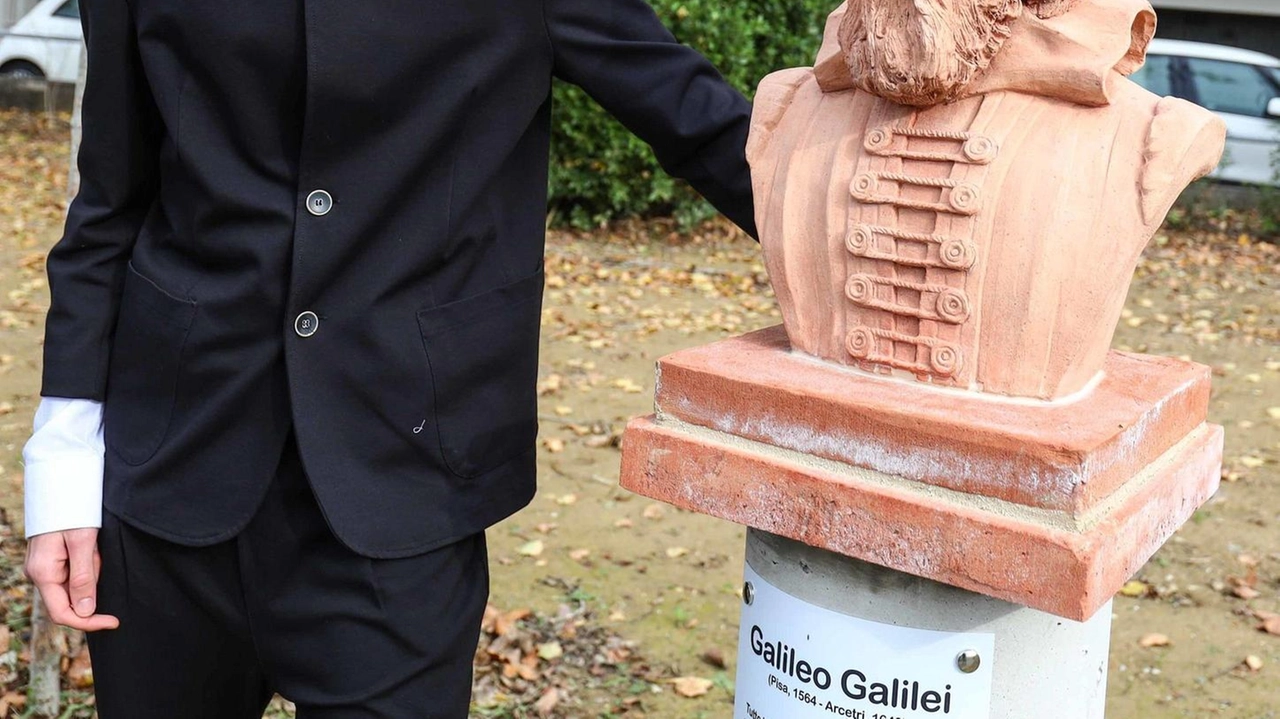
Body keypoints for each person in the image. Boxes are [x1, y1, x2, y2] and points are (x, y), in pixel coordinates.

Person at [21, 1, 756, 716]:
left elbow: (694, 116)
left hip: (409, 480)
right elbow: (112, 199)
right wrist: (61, 459)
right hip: (170, 469)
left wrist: (857, 243)